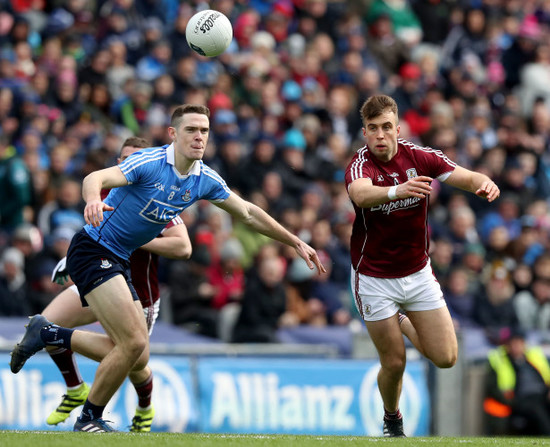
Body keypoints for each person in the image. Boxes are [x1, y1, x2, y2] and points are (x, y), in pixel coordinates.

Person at [10, 104, 326, 432]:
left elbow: (246, 212)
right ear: (173, 134)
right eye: (191, 130)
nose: (199, 137)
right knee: (133, 344)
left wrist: (294, 242)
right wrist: (92, 198)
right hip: (93, 249)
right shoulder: (150, 162)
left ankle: (49, 336)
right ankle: (88, 416)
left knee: (132, 349)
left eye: (204, 130)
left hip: (117, 260)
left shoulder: (204, 178)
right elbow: (96, 177)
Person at [344, 94, 500, 437]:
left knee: (446, 358)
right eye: (373, 129)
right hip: (374, 277)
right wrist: (397, 191)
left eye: (387, 127)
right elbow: (360, 194)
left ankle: (400, 318)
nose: (380, 135)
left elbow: (464, 176)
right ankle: (392, 418)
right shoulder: (361, 164)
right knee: (395, 362)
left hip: (416, 272)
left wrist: (483, 182)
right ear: (365, 133)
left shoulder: (420, 156)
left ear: (397, 129)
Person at [42, 137, 192, 432]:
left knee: (134, 357)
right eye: (124, 159)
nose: (129, 164)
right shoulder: (107, 193)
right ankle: (75, 389)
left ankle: (145, 407)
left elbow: (184, 247)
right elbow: (93, 236)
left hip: (140, 295)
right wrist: (69, 262)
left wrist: (138, 235)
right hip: (98, 281)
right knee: (46, 324)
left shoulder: (158, 197)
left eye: (135, 158)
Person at [484, 327, 550, 435]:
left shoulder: (534, 356)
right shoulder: (500, 360)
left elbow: (547, 377)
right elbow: (493, 388)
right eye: (513, 343)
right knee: (538, 411)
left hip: (542, 394)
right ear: (507, 345)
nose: (516, 346)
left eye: (519, 342)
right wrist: (511, 401)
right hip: (521, 398)